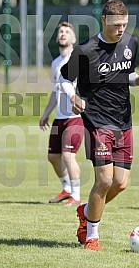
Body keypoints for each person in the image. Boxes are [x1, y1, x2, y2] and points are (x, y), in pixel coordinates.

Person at [61, 0, 139, 250]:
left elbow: (123, 75)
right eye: (116, 25)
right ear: (104, 20)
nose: (121, 29)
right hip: (97, 120)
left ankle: (86, 211)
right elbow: (65, 78)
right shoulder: (85, 50)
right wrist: (72, 96)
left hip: (123, 121)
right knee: (103, 181)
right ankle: (91, 236)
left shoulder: (130, 43)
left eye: (124, 24)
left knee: (120, 183)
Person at [39, 22, 84, 206]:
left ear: (73, 39)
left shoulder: (78, 59)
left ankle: (77, 195)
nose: (63, 34)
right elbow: (54, 92)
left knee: (68, 155)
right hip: (59, 118)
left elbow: (85, 86)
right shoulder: (56, 62)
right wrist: (45, 114)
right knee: (53, 157)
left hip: (75, 117)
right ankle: (66, 188)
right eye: (60, 31)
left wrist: (70, 87)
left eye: (67, 32)